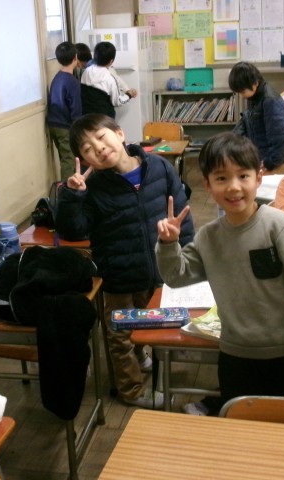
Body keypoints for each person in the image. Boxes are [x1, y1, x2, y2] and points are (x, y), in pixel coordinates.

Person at [155, 131, 284, 415]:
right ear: (207, 184)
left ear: (258, 177)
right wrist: (169, 244)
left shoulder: (279, 225)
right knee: (241, 425)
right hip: (236, 355)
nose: (234, 187)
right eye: (221, 178)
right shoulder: (209, 237)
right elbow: (176, 276)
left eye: (243, 176)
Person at [55, 113, 194, 409]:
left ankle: (142, 357)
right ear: (84, 159)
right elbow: (73, 230)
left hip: (158, 267)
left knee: (153, 324)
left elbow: (181, 213)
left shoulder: (159, 167)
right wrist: (72, 196)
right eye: (88, 148)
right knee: (119, 335)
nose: (98, 148)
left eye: (101, 137)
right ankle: (131, 390)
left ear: (119, 133)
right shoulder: (92, 188)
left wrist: (186, 257)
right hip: (117, 274)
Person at [228, 61, 284, 172]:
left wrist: (269, 164)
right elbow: (247, 120)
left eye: (242, 92)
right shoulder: (254, 96)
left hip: (277, 161)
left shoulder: (269, 101)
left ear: (254, 83)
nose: (241, 96)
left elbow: (278, 138)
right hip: (264, 156)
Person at [47, 41, 82, 180]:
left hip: (53, 124)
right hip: (65, 126)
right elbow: (75, 109)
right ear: (75, 57)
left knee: (65, 157)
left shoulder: (57, 77)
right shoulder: (72, 82)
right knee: (69, 159)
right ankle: (68, 189)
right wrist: (78, 129)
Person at [81, 41, 137, 118]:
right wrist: (129, 95)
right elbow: (117, 101)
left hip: (86, 117)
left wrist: (126, 89)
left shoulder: (86, 72)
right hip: (104, 118)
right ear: (111, 61)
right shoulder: (109, 79)